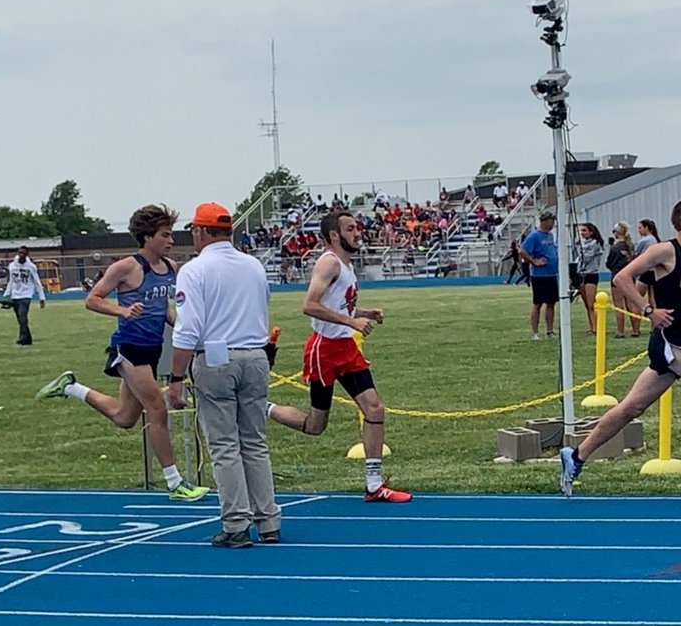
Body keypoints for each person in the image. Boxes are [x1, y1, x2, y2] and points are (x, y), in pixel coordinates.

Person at [559, 198, 681, 496]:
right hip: (671, 340)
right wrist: (648, 310)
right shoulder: (664, 251)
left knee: (631, 407)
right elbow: (622, 278)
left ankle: (577, 455)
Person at [35, 204, 209, 502]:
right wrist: (123, 310)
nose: (171, 241)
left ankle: (70, 387)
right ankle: (175, 483)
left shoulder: (170, 268)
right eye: (165, 235)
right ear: (147, 237)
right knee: (157, 409)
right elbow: (92, 299)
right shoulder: (125, 267)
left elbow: (162, 308)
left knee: (124, 417)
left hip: (152, 348)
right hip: (128, 348)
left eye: (171, 235)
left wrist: (183, 326)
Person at [267, 210, 412, 502]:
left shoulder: (345, 265)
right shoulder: (329, 262)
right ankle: (263, 407)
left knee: (374, 409)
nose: (357, 233)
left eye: (356, 228)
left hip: (345, 348)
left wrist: (364, 312)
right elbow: (309, 305)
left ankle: (374, 485)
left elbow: (339, 305)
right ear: (334, 235)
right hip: (323, 349)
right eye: (350, 229)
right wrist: (352, 322)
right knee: (315, 425)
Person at [165, 202, 281, 548]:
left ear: (201, 231)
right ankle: (268, 519)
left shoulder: (194, 270)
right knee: (255, 442)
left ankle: (235, 523)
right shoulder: (253, 265)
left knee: (224, 445)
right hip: (255, 354)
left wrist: (175, 378)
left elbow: (187, 329)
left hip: (216, 357)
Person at [519, 211, 558, 340]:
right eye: (551, 221)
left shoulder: (550, 235)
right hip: (539, 275)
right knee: (538, 303)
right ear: (544, 221)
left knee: (551, 303)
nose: (553, 224)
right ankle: (535, 332)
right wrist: (534, 261)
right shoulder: (534, 235)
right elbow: (522, 251)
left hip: (551, 273)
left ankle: (549, 330)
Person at [2, 246, 46, 346]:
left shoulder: (31, 267)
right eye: (20, 253)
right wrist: (6, 295)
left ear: (27, 255)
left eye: (23, 253)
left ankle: (21, 339)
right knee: (20, 319)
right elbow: (11, 281)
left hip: (26, 294)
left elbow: (37, 282)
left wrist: (42, 297)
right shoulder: (12, 266)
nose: (21, 255)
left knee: (22, 316)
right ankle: (28, 339)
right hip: (15, 295)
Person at [606, 222, 639, 338]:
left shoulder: (615, 248)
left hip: (617, 277)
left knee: (619, 306)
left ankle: (620, 331)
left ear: (617, 233)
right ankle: (635, 329)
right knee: (631, 304)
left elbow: (609, 263)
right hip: (629, 277)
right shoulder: (630, 246)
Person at [576, 223, 605, 336]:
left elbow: (587, 257)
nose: (582, 233)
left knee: (591, 303)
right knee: (586, 304)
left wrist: (579, 246)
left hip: (591, 274)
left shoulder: (595, 243)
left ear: (591, 232)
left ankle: (596, 327)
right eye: (581, 231)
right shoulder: (583, 243)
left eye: (584, 230)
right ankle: (591, 325)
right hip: (581, 274)